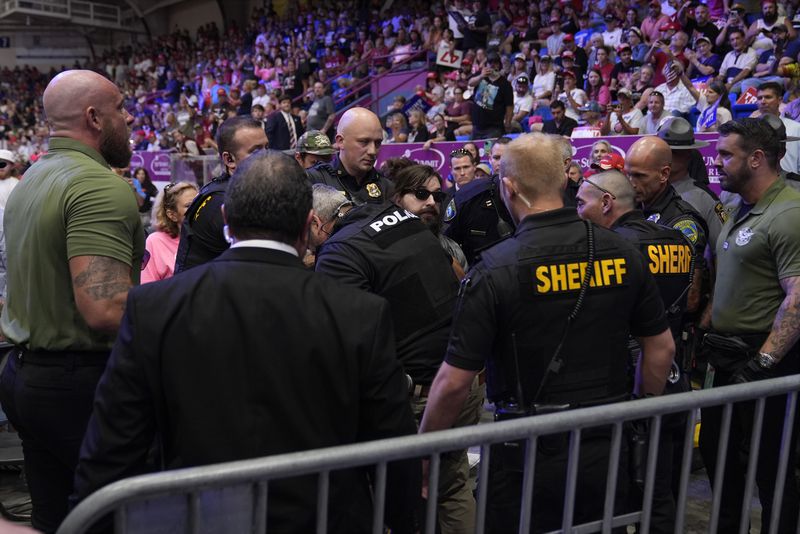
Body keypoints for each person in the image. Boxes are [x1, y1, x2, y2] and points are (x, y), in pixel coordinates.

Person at [73, 151, 421, 533]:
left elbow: (111, 450)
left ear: (226, 221)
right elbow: (392, 450)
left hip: (203, 520)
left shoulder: (155, 308)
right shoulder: (360, 313)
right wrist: (405, 523)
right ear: (308, 225)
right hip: (321, 518)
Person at [419, 133, 675, 534]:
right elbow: (660, 348)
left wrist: (424, 451)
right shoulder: (623, 251)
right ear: (564, 182)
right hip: (606, 442)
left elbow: (453, 383)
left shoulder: (494, 268)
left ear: (509, 187)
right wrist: (638, 412)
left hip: (526, 452)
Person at [0, 70, 143, 533]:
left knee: (56, 517)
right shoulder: (97, 186)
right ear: (94, 118)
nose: (128, 117)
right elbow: (104, 307)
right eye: (120, 108)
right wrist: (183, 305)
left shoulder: (33, 177)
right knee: (114, 518)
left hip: (27, 375)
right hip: (77, 383)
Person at [314, 166, 467, 534]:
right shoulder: (399, 217)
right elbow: (453, 270)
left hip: (413, 399)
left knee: (399, 505)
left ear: (316, 224)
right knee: (453, 490)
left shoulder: (339, 251)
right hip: (458, 377)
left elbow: (348, 340)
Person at [575, 169, 695, 534]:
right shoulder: (677, 240)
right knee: (662, 490)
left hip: (627, 381)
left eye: (581, 202)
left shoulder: (609, 249)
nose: (576, 210)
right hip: (672, 376)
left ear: (606, 202)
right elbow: (689, 299)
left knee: (614, 495)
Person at [699, 118, 800, 534]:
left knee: (771, 470)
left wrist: (763, 363)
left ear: (757, 158)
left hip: (764, 366)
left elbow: (798, 296)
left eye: (726, 155)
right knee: (721, 462)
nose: (717, 162)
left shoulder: (789, 212)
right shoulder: (742, 207)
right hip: (729, 359)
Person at [625, 136, 709, 318]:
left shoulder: (683, 222)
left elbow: (691, 299)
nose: (631, 183)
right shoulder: (630, 208)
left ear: (664, 174)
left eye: (639, 176)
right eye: (628, 174)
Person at [174, 116, 268, 273]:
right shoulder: (219, 201)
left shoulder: (249, 190)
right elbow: (261, 263)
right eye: (256, 151)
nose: (267, 156)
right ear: (229, 159)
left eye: (267, 147)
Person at [656, 118, 726, 251]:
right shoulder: (645, 191)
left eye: (675, 152)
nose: (668, 157)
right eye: (665, 151)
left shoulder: (706, 199)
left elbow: (721, 250)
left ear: (688, 154)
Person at [443, 139, 515, 267]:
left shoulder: (531, 192)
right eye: (497, 157)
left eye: (506, 157)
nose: (501, 163)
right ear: (490, 159)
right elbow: (447, 244)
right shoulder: (465, 197)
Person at [306, 107, 394, 205]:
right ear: (340, 141)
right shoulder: (314, 180)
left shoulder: (386, 186)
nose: (372, 151)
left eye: (377, 143)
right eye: (364, 142)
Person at [141, 182, 199, 284]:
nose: (197, 208)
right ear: (172, 215)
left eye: (199, 202)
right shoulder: (155, 241)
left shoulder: (209, 237)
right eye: (189, 205)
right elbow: (146, 287)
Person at [754, 82, 800, 174]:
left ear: (779, 100)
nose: (763, 101)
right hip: (759, 183)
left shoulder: (796, 128)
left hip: (790, 183)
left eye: (768, 97)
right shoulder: (749, 129)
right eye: (759, 98)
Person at [467, 52, 513, 139]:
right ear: (486, 64)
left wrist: (507, 122)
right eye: (490, 63)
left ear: (499, 65)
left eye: (495, 63)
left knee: (487, 151)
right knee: (471, 150)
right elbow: (470, 83)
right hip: (477, 127)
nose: (492, 65)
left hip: (493, 128)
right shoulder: (480, 76)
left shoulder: (505, 84)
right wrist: (481, 76)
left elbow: (509, 106)